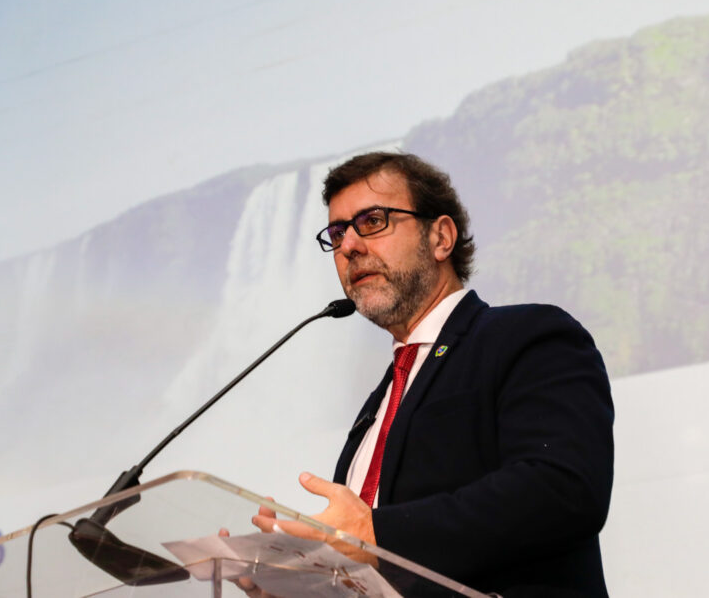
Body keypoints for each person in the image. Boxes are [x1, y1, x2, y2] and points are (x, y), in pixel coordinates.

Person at [252, 152, 614, 597]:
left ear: (441, 237)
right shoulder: (379, 403)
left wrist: (375, 533)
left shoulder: (527, 335)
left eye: (373, 220)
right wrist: (307, 585)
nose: (349, 246)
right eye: (338, 231)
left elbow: (563, 490)